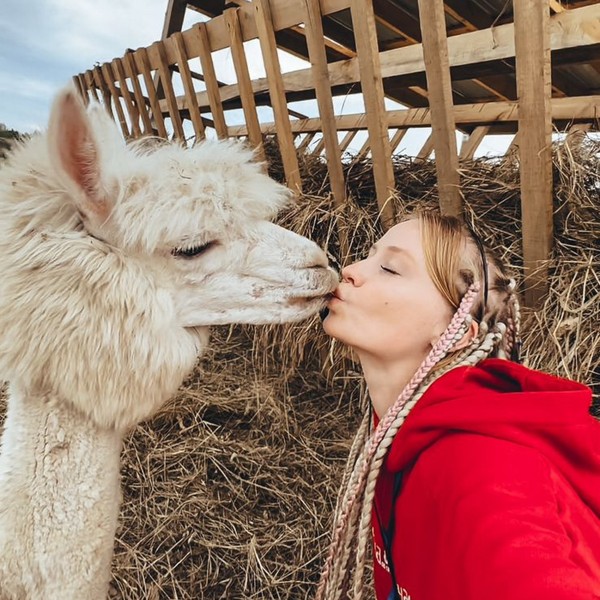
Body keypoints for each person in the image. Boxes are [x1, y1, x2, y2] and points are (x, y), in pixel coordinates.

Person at [316, 210, 600, 600]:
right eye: (369, 255)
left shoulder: (483, 467)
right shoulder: (397, 431)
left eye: (391, 268)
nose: (349, 269)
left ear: (454, 335)